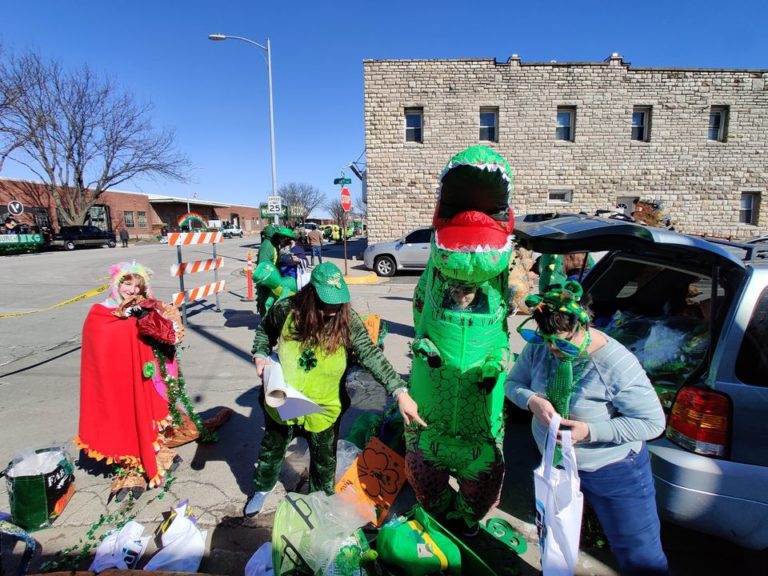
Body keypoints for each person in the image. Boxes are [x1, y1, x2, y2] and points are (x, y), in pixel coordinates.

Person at [505, 281, 669, 575]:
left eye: (564, 342)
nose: (553, 350)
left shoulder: (616, 363)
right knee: (554, 540)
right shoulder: (541, 347)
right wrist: (532, 402)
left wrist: (590, 431)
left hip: (613, 470)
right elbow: (512, 384)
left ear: (584, 327)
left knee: (638, 552)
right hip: (554, 466)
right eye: (547, 340)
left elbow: (653, 422)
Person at [245, 262, 425, 516]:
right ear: (310, 294)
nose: (331, 308)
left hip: (324, 405)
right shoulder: (286, 310)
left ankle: (319, 502)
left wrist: (400, 391)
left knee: (324, 460)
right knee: (272, 449)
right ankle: (262, 488)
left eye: (336, 302)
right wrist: (260, 356)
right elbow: (264, 332)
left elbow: (371, 355)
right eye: (325, 302)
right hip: (282, 399)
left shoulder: (346, 320)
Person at [76, 261, 185, 501]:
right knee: (123, 420)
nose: (132, 290)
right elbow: (96, 353)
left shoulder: (150, 306)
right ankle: (130, 467)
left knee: (146, 416)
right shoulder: (99, 312)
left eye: (138, 285)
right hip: (116, 382)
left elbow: (174, 334)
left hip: (146, 378)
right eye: (127, 283)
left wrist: (148, 316)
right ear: (117, 284)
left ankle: (156, 452)